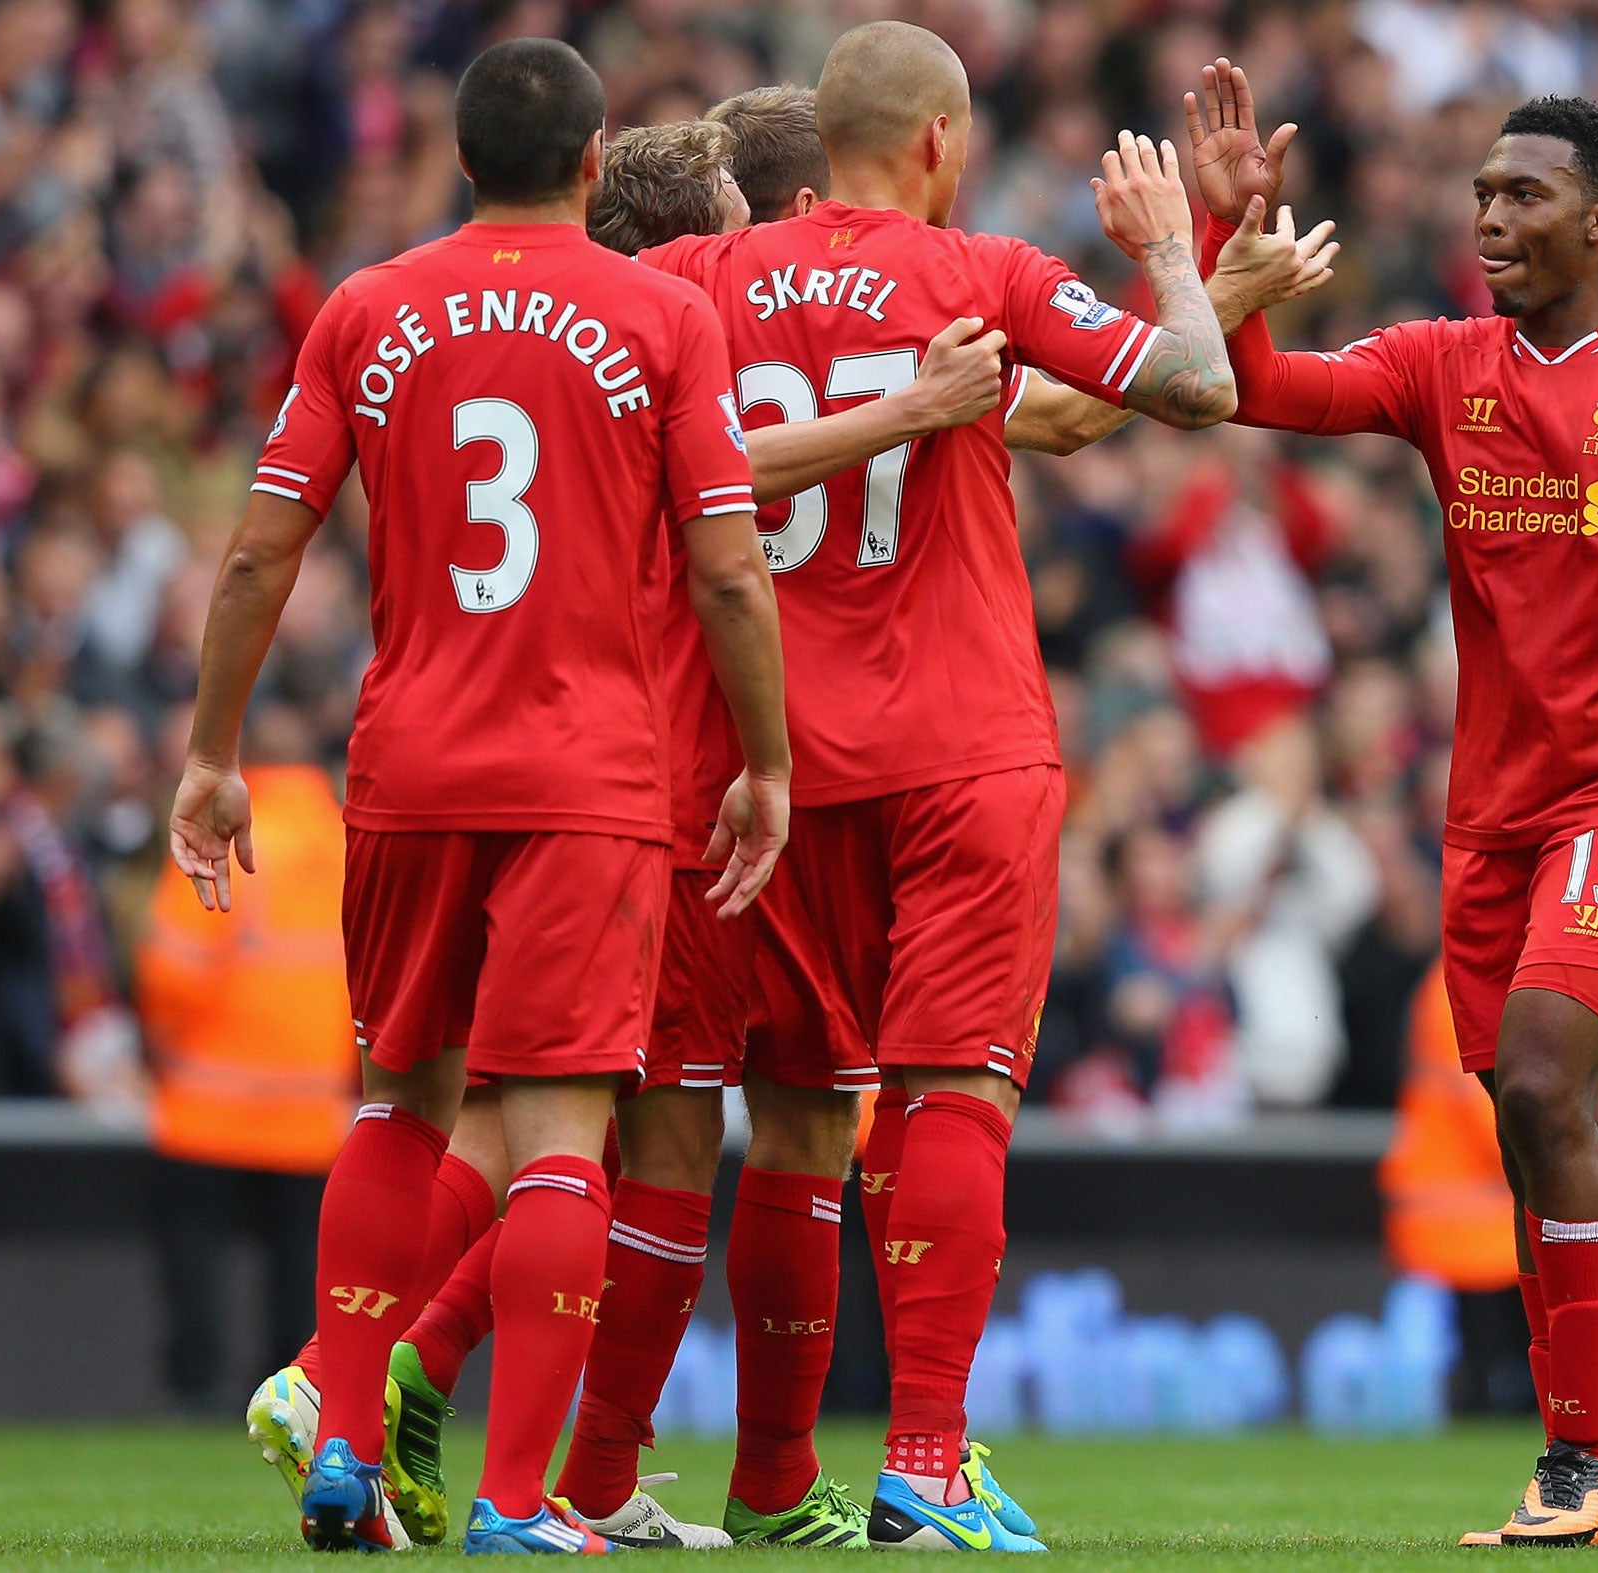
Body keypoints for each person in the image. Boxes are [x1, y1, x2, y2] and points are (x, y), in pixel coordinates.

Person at [239, 112, 1015, 1551]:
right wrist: (919, 409)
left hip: (446, 759)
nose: (756, 268)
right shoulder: (655, 343)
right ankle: (518, 1465)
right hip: (646, 778)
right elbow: (735, 527)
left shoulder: (420, 320)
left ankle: (390, 1396)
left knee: (460, 1109)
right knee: (597, 1131)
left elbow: (265, 536)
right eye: (733, 235)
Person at [626, 20, 1295, 1552]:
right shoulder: (981, 272)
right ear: (937, 139)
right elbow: (1192, 386)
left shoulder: (691, 285)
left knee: (782, 1112)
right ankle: (923, 1457)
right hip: (959, 748)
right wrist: (1178, 255)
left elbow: (664, 452)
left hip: (763, 767)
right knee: (951, 1089)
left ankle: (702, 1479)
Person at [1186, 58, 1598, 1546]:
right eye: (1481, 191)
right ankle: (1586, 1462)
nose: (1487, 215)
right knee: (1525, 1119)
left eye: (1521, 194)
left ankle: (1590, 1466)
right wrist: (1236, 252)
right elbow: (1263, 388)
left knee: (1546, 1079)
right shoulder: (1441, 366)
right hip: (1497, 801)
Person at [169, 36, 790, 1556]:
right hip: (587, 777)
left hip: (410, 764)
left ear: (461, 162)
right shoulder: (661, 313)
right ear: (594, 163)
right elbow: (723, 565)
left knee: (399, 1103)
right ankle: (520, 1504)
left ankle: (346, 1446)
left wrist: (211, 752)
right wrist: (767, 762)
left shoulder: (365, 309)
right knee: (569, 1131)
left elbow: (260, 550)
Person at [137, 706, 352, 1414]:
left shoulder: (220, 828)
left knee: (195, 1255)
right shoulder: (344, 838)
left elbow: (172, 969)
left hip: (206, 1101)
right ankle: (287, 1396)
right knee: (299, 1267)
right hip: (311, 1109)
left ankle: (197, 1385)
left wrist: (163, 1049)